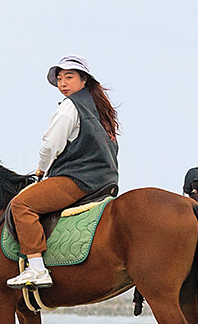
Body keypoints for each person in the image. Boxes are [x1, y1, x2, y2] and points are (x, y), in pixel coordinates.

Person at [6, 57, 121, 289]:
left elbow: (50, 144)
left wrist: (41, 169)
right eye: (60, 79)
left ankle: (37, 269)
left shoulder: (70, 107)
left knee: (21, 205)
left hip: (78, 178)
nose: (63, 84)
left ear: (84, 80)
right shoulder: (100, 109)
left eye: (69, 77)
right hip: (106, 180)